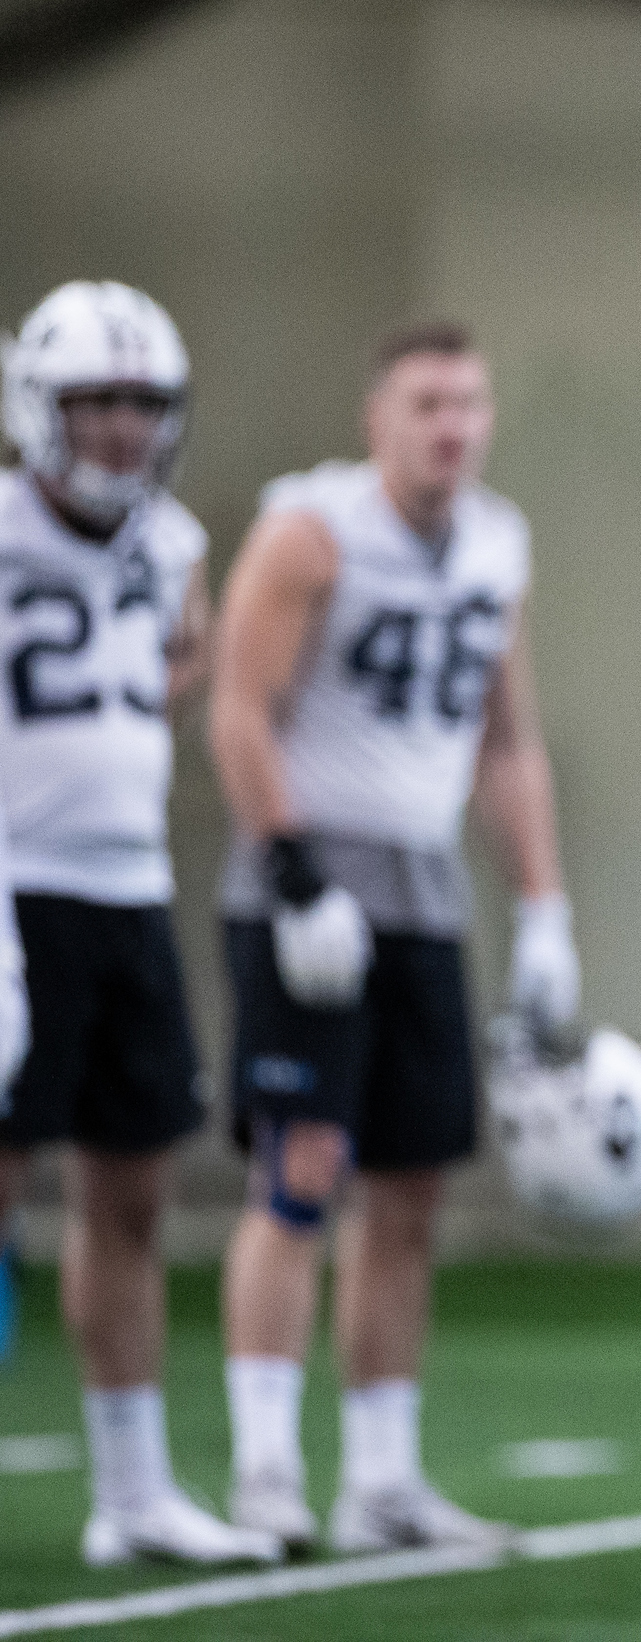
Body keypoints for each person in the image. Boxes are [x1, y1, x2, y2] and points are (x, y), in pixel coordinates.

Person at [210, 321, 582, 1556]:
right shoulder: (315, 527)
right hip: (311, 879)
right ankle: (267, 1467)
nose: (452, 427)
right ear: (379, 417)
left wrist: (542, 907)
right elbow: (237, 707)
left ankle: (380, 1477)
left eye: (468, 404)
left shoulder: (497, 540)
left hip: (423, 889)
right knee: (299, 1167)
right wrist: (293, 870)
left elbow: (507, 741)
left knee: (412, 1187)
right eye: (427, 404)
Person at [0, 281, 278, 1566]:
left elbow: (183, 657)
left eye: (142, 403)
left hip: (127, 894)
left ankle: (131, 1492)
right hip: (15, 886)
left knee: (130, 1195)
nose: (120, 428)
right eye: (97, 402)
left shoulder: (170, 542)